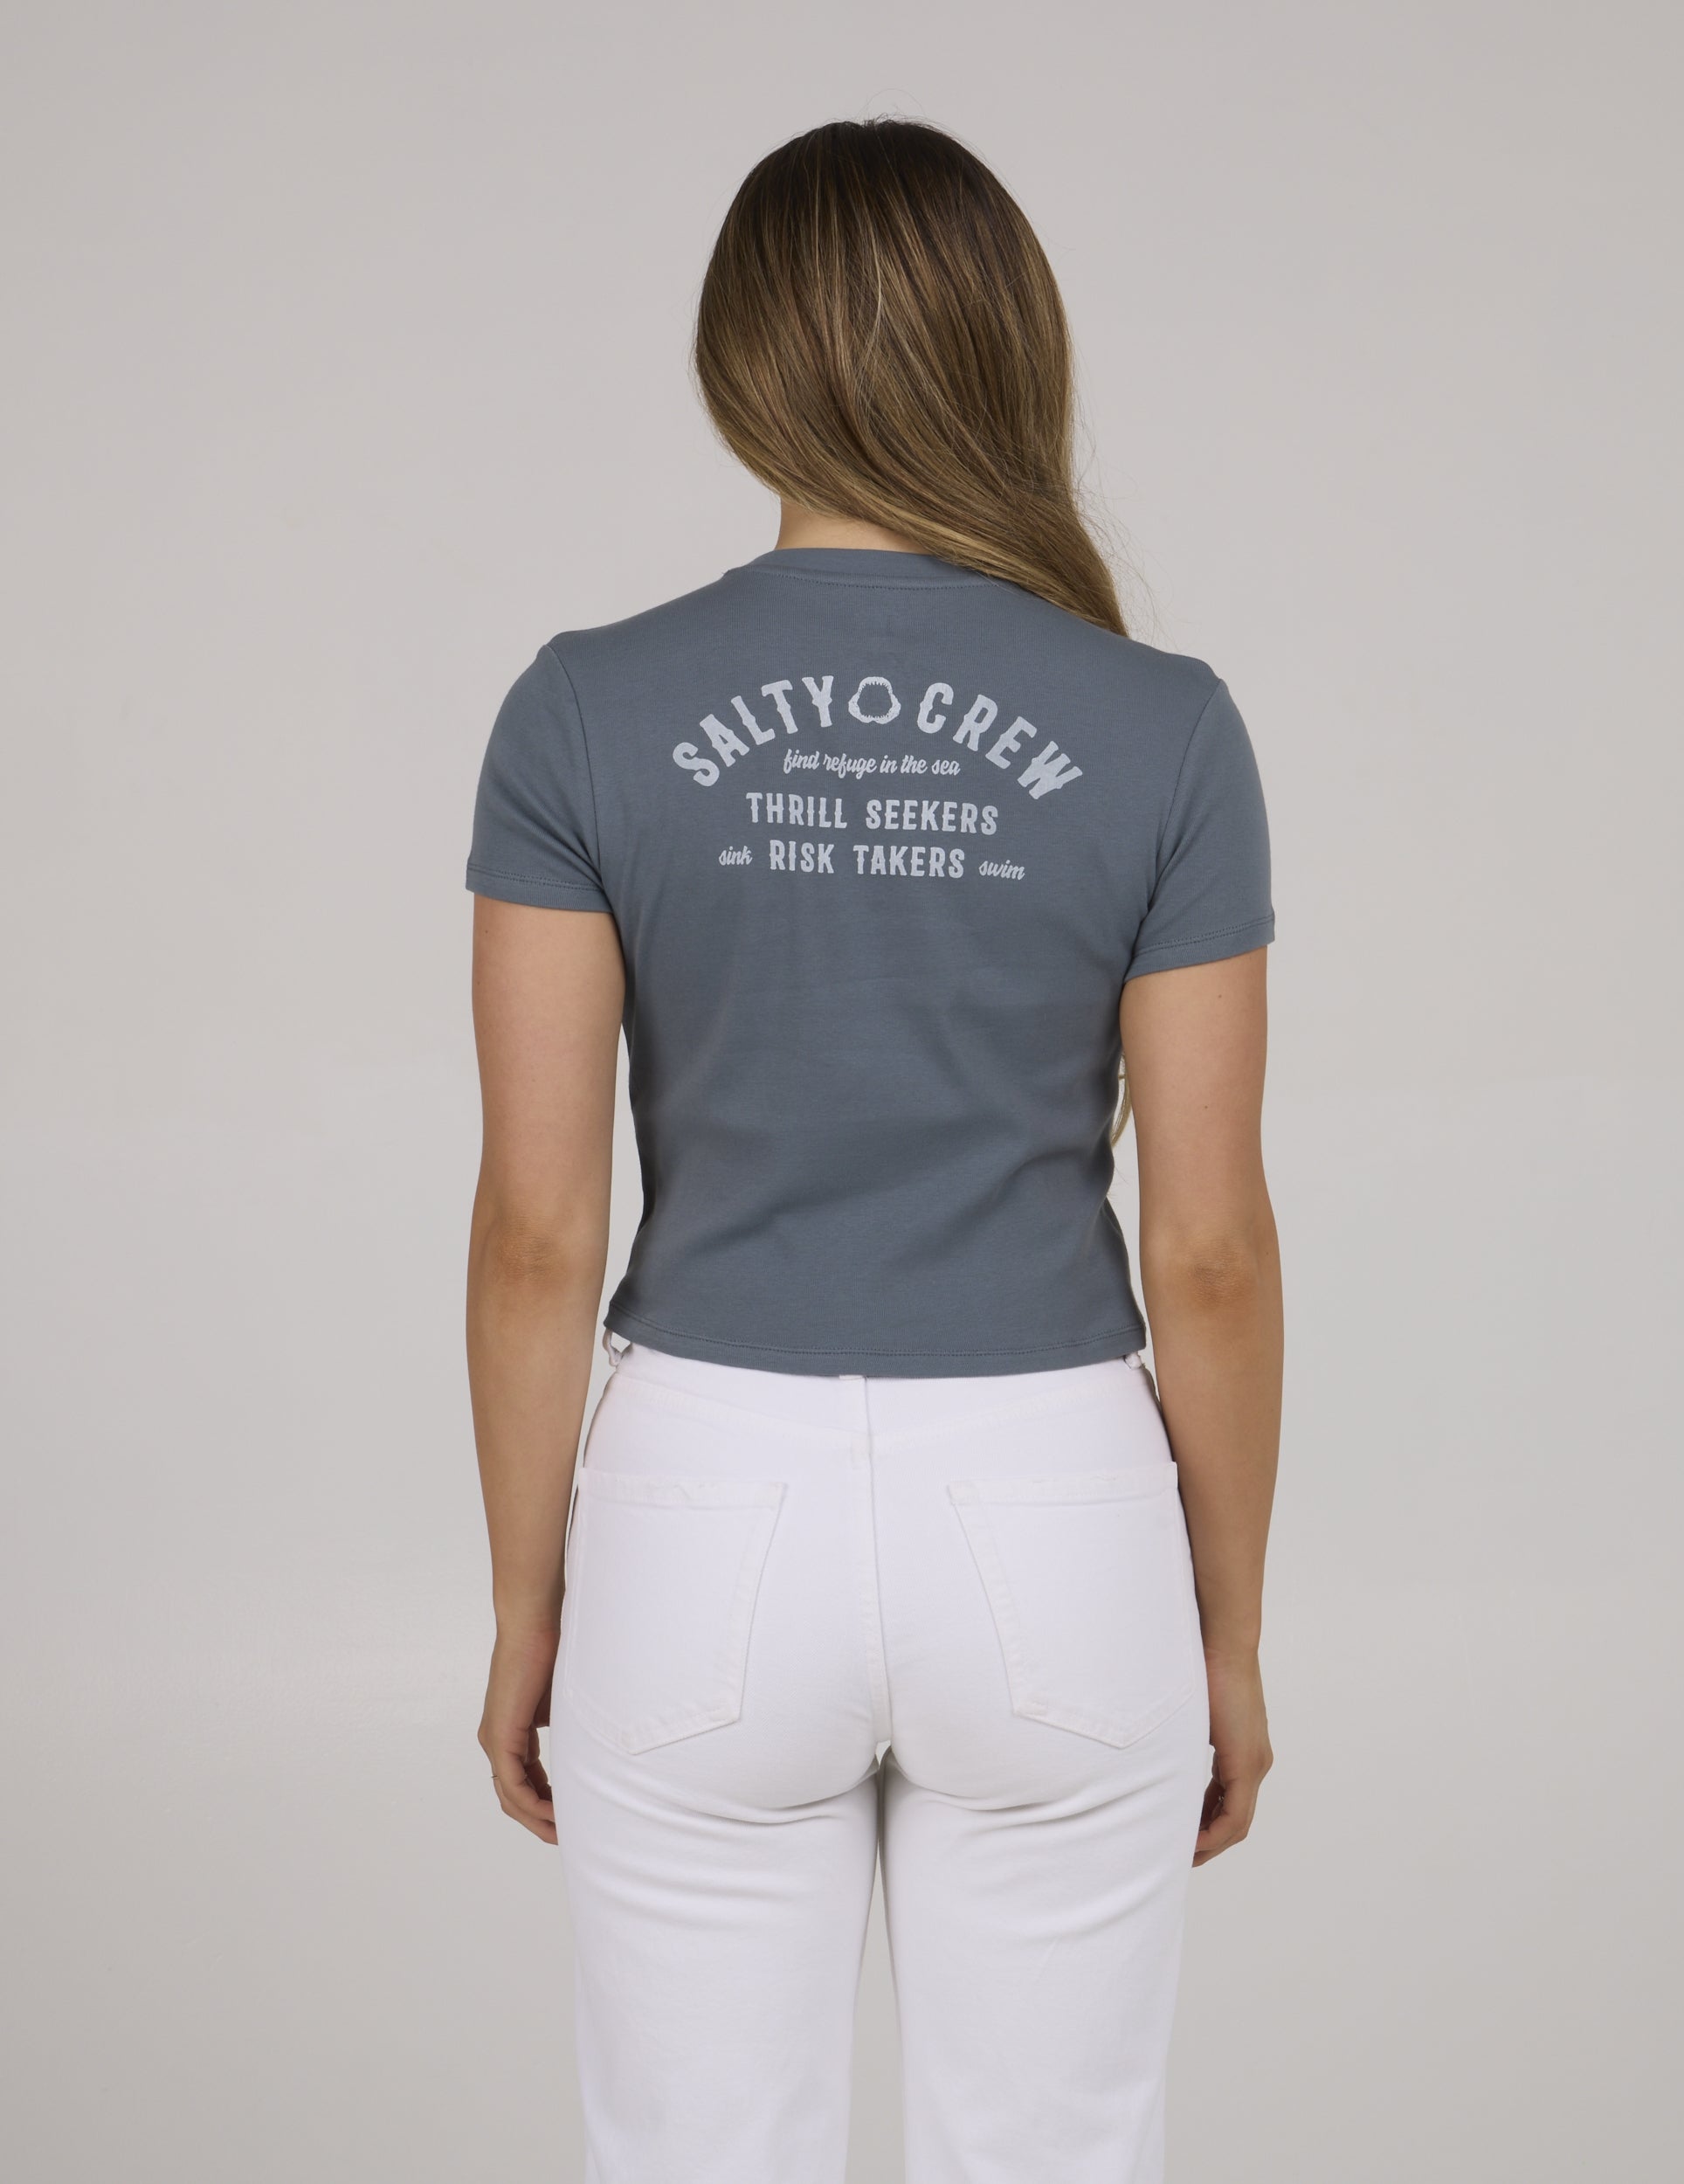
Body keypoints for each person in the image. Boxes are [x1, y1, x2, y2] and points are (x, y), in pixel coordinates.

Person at [464, 116, 1281, 2184]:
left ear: (740, 360)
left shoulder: (583, 710)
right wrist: (1223, 1628)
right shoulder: (1165, 724)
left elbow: (540, 1227)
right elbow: (1204, 1246)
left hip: (701, 1505)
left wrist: (530, 1598)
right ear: (1011, 347)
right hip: (1054, 1505)